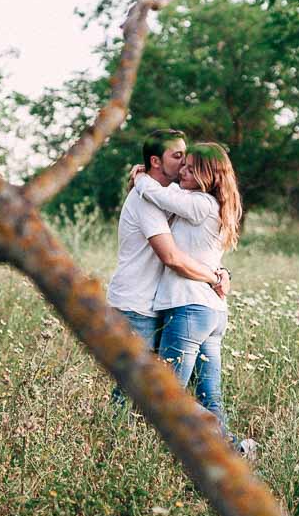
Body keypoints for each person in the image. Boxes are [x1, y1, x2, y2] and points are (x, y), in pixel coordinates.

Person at [129, 142, 257, 458]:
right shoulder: (216, 206)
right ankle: (232, 457)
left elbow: (160, 195)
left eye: (189, 167)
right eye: (181, 165)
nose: (182, 171)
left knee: (166, 394)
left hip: (188, 308)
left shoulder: (199, 202)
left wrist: (141, 178)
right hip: (211, 312)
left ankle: (200, 448)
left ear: (205, 173)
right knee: (210, 396)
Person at [105, 131, 225, 403]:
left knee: (164, 389)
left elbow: (197, 245)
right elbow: (171, 256)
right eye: (178, 157)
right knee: (133, 390)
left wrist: (222, 271)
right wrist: (213, 277)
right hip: (136, 305)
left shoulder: (170, 193)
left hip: (161, 303)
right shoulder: (145, 197)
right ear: (156, 162)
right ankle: (119, 442)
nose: (184, 165)